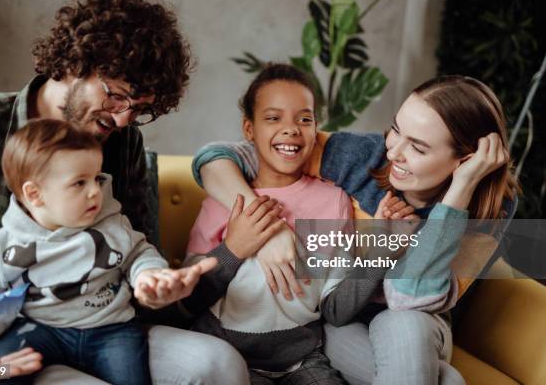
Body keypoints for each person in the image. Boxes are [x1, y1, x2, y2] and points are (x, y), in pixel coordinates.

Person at [0, 0, 251, 385]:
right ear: (75, 63)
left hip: (103, 325)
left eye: (138, 110)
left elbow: (135, 247)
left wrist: (150, 288)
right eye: (118, 96)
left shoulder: (123, 142)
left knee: (218, 363)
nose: (122, 120)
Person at [192, 75, 518, 385]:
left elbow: (409, 298)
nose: (394, 152)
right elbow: (220, 156)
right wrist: (268, 228)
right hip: (345, 320)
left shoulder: (491, 209)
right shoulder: (362, 155)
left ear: (464, 161)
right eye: (395, 130)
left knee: (403, 322)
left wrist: (458, 194)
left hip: (422, 325)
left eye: (418, 148)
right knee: (446, 381)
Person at [184, 64, 414, 385]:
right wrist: (234, 250)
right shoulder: (224, 200)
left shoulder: (333, 201)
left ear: (316, 129)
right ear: (249, 129)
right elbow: (189, 302)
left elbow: (335, 310)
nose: (291, 129)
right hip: (231, 359)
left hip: (304, 360)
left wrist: (384, 248)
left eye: (304, 119)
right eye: (273, 118)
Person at [0, 119, 218, 384]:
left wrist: (149, 275)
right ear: (35, 194)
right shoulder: (4, 243)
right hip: (39, 328)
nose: (95, 192)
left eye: (96, 179)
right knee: (2, 367)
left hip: (110, 330)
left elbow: (139, 254)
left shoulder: (112, 224)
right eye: (79, 183)